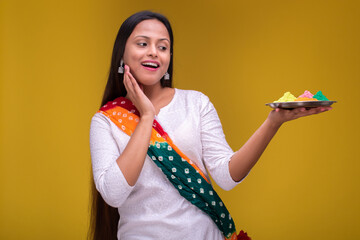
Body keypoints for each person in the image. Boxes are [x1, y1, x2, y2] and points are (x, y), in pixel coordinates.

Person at [89, 10, 332, 240]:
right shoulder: (106, 121)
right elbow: (113, 194)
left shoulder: (195, 103)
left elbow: (226, 176)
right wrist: (146, 117)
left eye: (163, 47)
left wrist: (274, 122)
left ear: (169, 57)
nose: (154, 52)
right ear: (122, 53)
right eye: (143, 43)